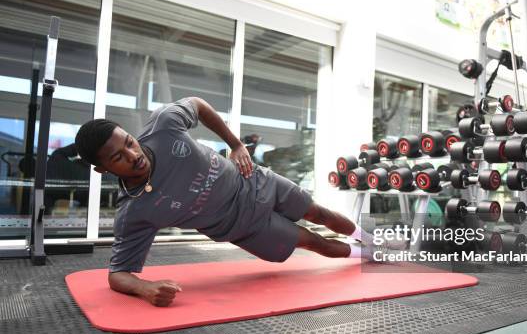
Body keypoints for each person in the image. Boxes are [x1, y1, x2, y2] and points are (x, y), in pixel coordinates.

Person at [75, 97, 376, 307]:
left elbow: (199, 105)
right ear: (103, 170)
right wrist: (144, 288)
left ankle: (369, 241)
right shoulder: (134, 211)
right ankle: (368, 256)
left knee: (319, 212)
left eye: (129, 142)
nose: (133, 155)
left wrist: (235, 144)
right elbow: (117, 275)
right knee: (314, 243)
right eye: (118, 157)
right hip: (246, 228)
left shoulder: (165, 125)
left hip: (255, 181)